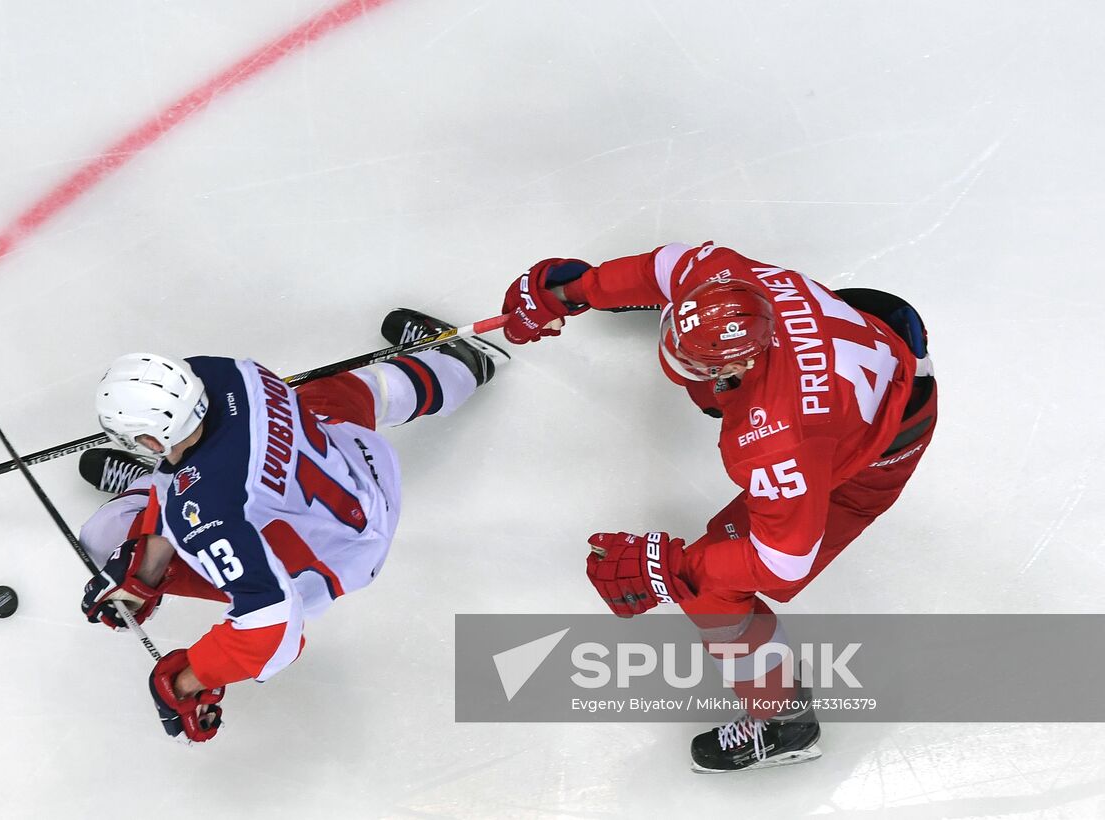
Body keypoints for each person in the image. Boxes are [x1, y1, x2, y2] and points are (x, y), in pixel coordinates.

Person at [499, 242, 937, 772]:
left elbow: (783, 563)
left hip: (875, 452)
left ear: (742, 365)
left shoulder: (773, 437)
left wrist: (674, 568)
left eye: (699, 366)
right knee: (717, 556)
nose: (681, 369)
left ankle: (786, 725)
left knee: (712, 588)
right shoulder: (721, 276)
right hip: (867, 347)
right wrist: (574, 290)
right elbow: (667, 267)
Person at [74, 310, 507, 742]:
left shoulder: (205, 510)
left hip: (337, 558)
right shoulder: (221, 373)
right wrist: (145, 571)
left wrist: (188, 681)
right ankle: (460, 366)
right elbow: (198, 488)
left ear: (151, 441)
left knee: (104, 537)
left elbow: (275, 627)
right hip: (354, 461)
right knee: (349, 390)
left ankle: (144, 484)